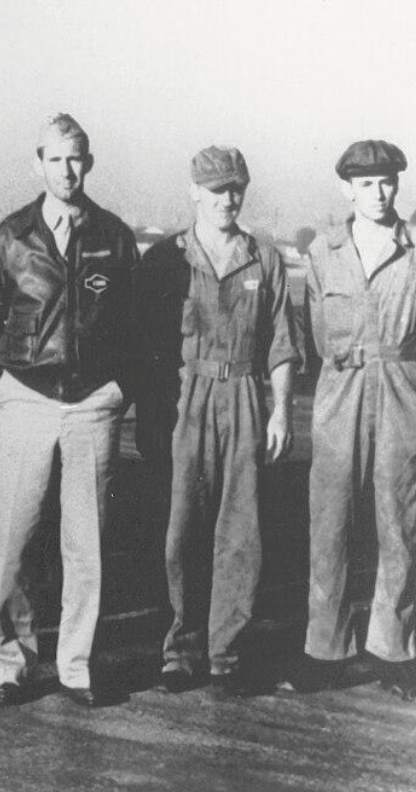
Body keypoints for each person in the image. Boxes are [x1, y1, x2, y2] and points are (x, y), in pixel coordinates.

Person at [0, 113, 138, 707]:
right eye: (56, 158)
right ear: (37, 162)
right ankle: (9, 662)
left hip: (93, 403)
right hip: (26, 398)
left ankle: (75, 665)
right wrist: (2, 396)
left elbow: (132, 325)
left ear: (88, 163)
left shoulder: (114, 237)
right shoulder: (9, 238)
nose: (67, 170)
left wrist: (116, 389)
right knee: (15, 539)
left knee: (86, 543)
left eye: (77, 158)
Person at [136, 147, 297, 698]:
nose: (228, 199)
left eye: (236, 188)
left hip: (247, 394)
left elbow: (281, 343)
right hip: (189, 396)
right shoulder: (170, 258)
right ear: (194, 192)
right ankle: (181, 649)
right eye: (216, 189)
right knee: (183, 525)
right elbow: (150, 345)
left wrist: (280, 410)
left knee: (241, 528)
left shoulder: (265, 259)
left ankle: (228, 652)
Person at [299, 139, 416, 701]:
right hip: (340, 389)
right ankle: (326, 648)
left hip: (400, 388)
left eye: (388, 180)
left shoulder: (415, 247)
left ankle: (394, 647)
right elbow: (313, 332)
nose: (379, 192)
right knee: (331, 517)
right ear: (347, 188)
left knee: (400, 516)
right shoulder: (323, 251)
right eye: (366, 183)